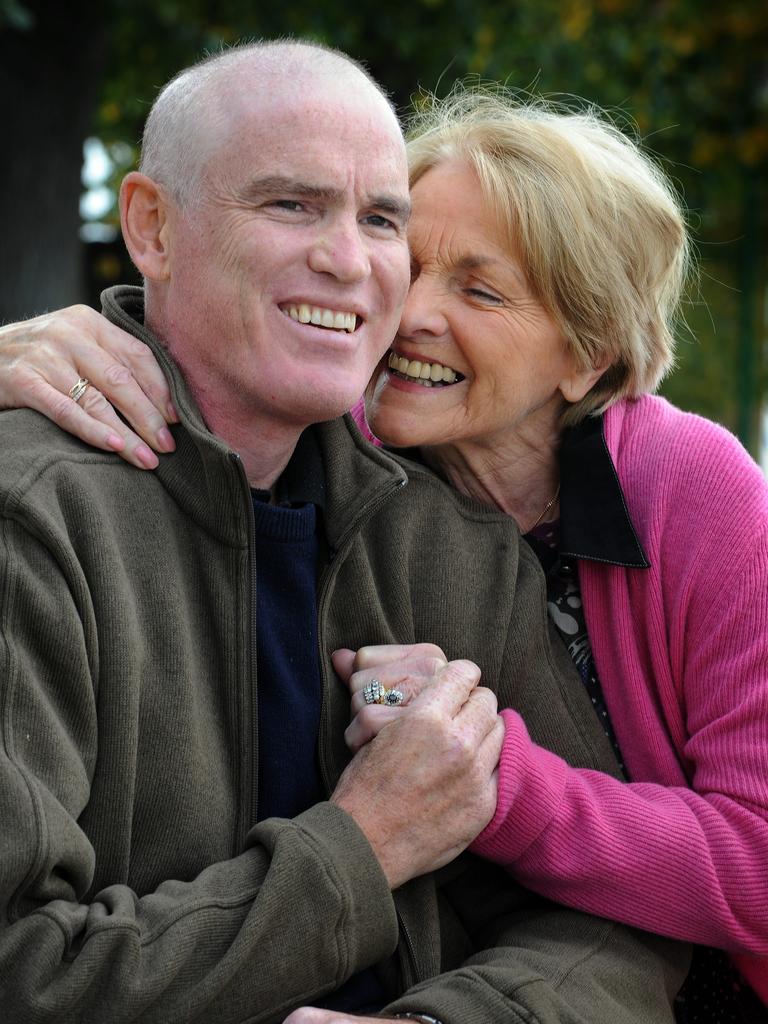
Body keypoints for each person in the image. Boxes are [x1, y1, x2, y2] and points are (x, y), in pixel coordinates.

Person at [5, 83, 765, 1020]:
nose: (402, 310)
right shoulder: (363, 451)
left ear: (589, 359)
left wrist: (483, 779)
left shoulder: (688, 488)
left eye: (481, 289)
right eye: (412, 259)